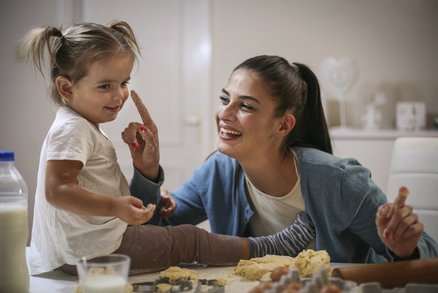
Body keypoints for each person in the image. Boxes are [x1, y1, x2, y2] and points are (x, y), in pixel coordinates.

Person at [24, 22, 316, 276]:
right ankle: (271, 247)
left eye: (124, 82)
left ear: (283, 125)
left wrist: (147, 175)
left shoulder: (80, 126)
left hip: (85, 249)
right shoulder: (73, 128)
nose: (119, 95)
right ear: (66, 88)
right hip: (92, 250)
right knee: (190, 241)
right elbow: (57, 190)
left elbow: (152, 219)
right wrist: (118, 205)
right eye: (105, 86)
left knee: (186, 240)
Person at [124, 55, 438, 263]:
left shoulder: (338, 181)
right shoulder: (217, 172)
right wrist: (148, 173)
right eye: (225, 99)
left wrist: (405, 248)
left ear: (283, 124)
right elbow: (147, 237)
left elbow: (426, 252)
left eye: (245, 106)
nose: (224, 114)